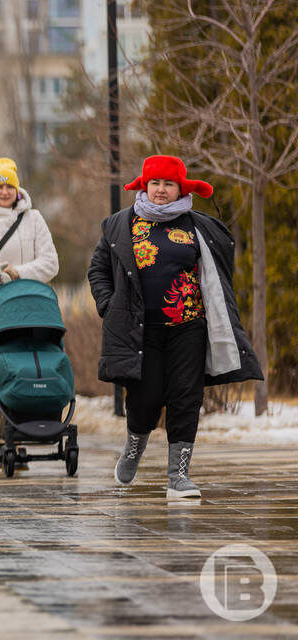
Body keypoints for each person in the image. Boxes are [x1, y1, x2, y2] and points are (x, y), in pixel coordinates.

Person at [88, 155, 262, 499]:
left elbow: (219, 271)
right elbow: (98, 270)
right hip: (142, 331)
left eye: (168, 184)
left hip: (189, 327)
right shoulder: (121, 225)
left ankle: (178, 477)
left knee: (186, 397)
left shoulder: (199, 227)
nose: (161, 190)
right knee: (146, 398)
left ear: (180, 188)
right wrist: (109, 306)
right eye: (155, 183)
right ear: (144, 185)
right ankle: (134, 446)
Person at [0, 157, 59, 464]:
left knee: (26, 366)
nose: (4, 192)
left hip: (28, 306)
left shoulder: (34, 219)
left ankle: (24, 433)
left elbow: (50, 263)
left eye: (9, 186)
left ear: (17, 189)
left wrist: (19, 273)